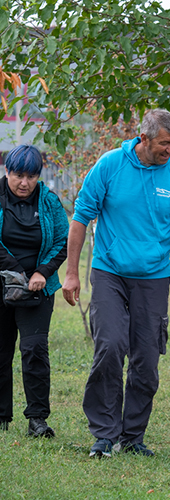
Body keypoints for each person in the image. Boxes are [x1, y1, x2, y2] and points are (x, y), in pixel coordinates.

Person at [62, 109, 170, 458]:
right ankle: (103, 435)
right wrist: (71, 272)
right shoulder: (110, 165)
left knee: (146, 360)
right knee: (109, 346)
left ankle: (133, 436)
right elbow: (81, 217)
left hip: (153, 279)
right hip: (109, 272)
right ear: (143, 139)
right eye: (163, 143)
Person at [0, 145, 68, 437]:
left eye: (31, 176)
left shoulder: (50, 201)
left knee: (35, 350)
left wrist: (42, 272)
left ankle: (37, 419)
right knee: (1, 352)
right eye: (18, 175)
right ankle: (1, 416)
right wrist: (17, 271)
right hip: (2, 283)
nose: (24, 183)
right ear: (7, 172)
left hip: (38, 288)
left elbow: (63, 241)